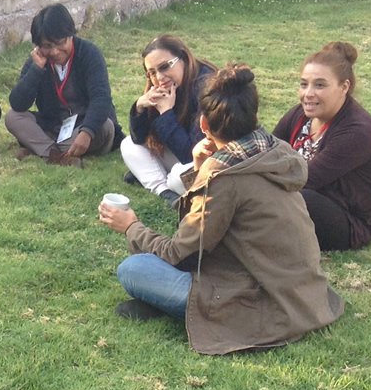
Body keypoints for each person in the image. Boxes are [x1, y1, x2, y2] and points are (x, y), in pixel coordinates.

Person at [98, 63, 344, 354]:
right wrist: (199, 168)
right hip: (307, 295)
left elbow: (181, 253)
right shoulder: (275, 150)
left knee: (133, 269)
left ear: (203, 125)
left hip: (265, 305)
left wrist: (131, 227)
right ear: (254, 118)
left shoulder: (224, 177)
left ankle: (178, 308)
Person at [273, 41, 371, 251]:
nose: (308, 93)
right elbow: (267, 151)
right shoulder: (301, 113)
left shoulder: (358, 132)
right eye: (304, 84)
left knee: (298, 198)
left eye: (320, 85)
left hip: (346, 219)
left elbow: (304, 179)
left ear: (344, 87)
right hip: (299, 194)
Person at [4, 3, 119, 168]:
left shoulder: (89, 53)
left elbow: (101, 98)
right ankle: (56, 155)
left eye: (60, 43)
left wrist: (87, 131)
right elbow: (17, 103)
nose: (55, 51)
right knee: (12, 117)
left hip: (84, 125)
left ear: (70, 34)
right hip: (54, 126)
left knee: (105, 126)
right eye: (47, 46)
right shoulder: (37, 62)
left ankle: (41, 149)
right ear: (37, 46)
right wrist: (36, 70)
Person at [120, 34, 215, 207]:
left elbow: (191, 155)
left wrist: (165, 113)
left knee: (178, 178)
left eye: (164, 67)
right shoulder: (164, 87)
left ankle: (151, 175)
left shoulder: (206, 88)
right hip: (180, 156)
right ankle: (164, 191)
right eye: (152, 72)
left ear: (183, 58)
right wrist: (140, 106)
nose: (159, 77)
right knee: (128, 145)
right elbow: (138, 139)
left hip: (208, 163)